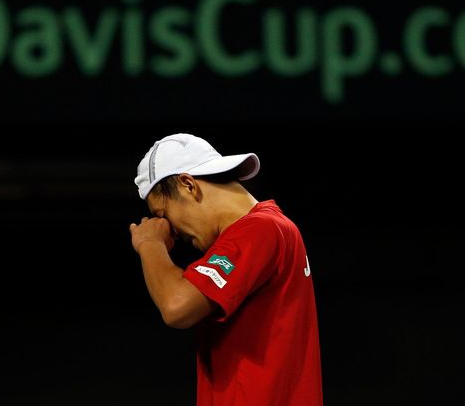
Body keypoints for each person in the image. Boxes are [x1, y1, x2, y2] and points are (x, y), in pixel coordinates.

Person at [129, 133, 323, 406]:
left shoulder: (261, 230)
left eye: (163, 214)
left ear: (188, 185)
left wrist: (149, 243)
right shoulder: (268, 229)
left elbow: (177, 306)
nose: (170, 230)